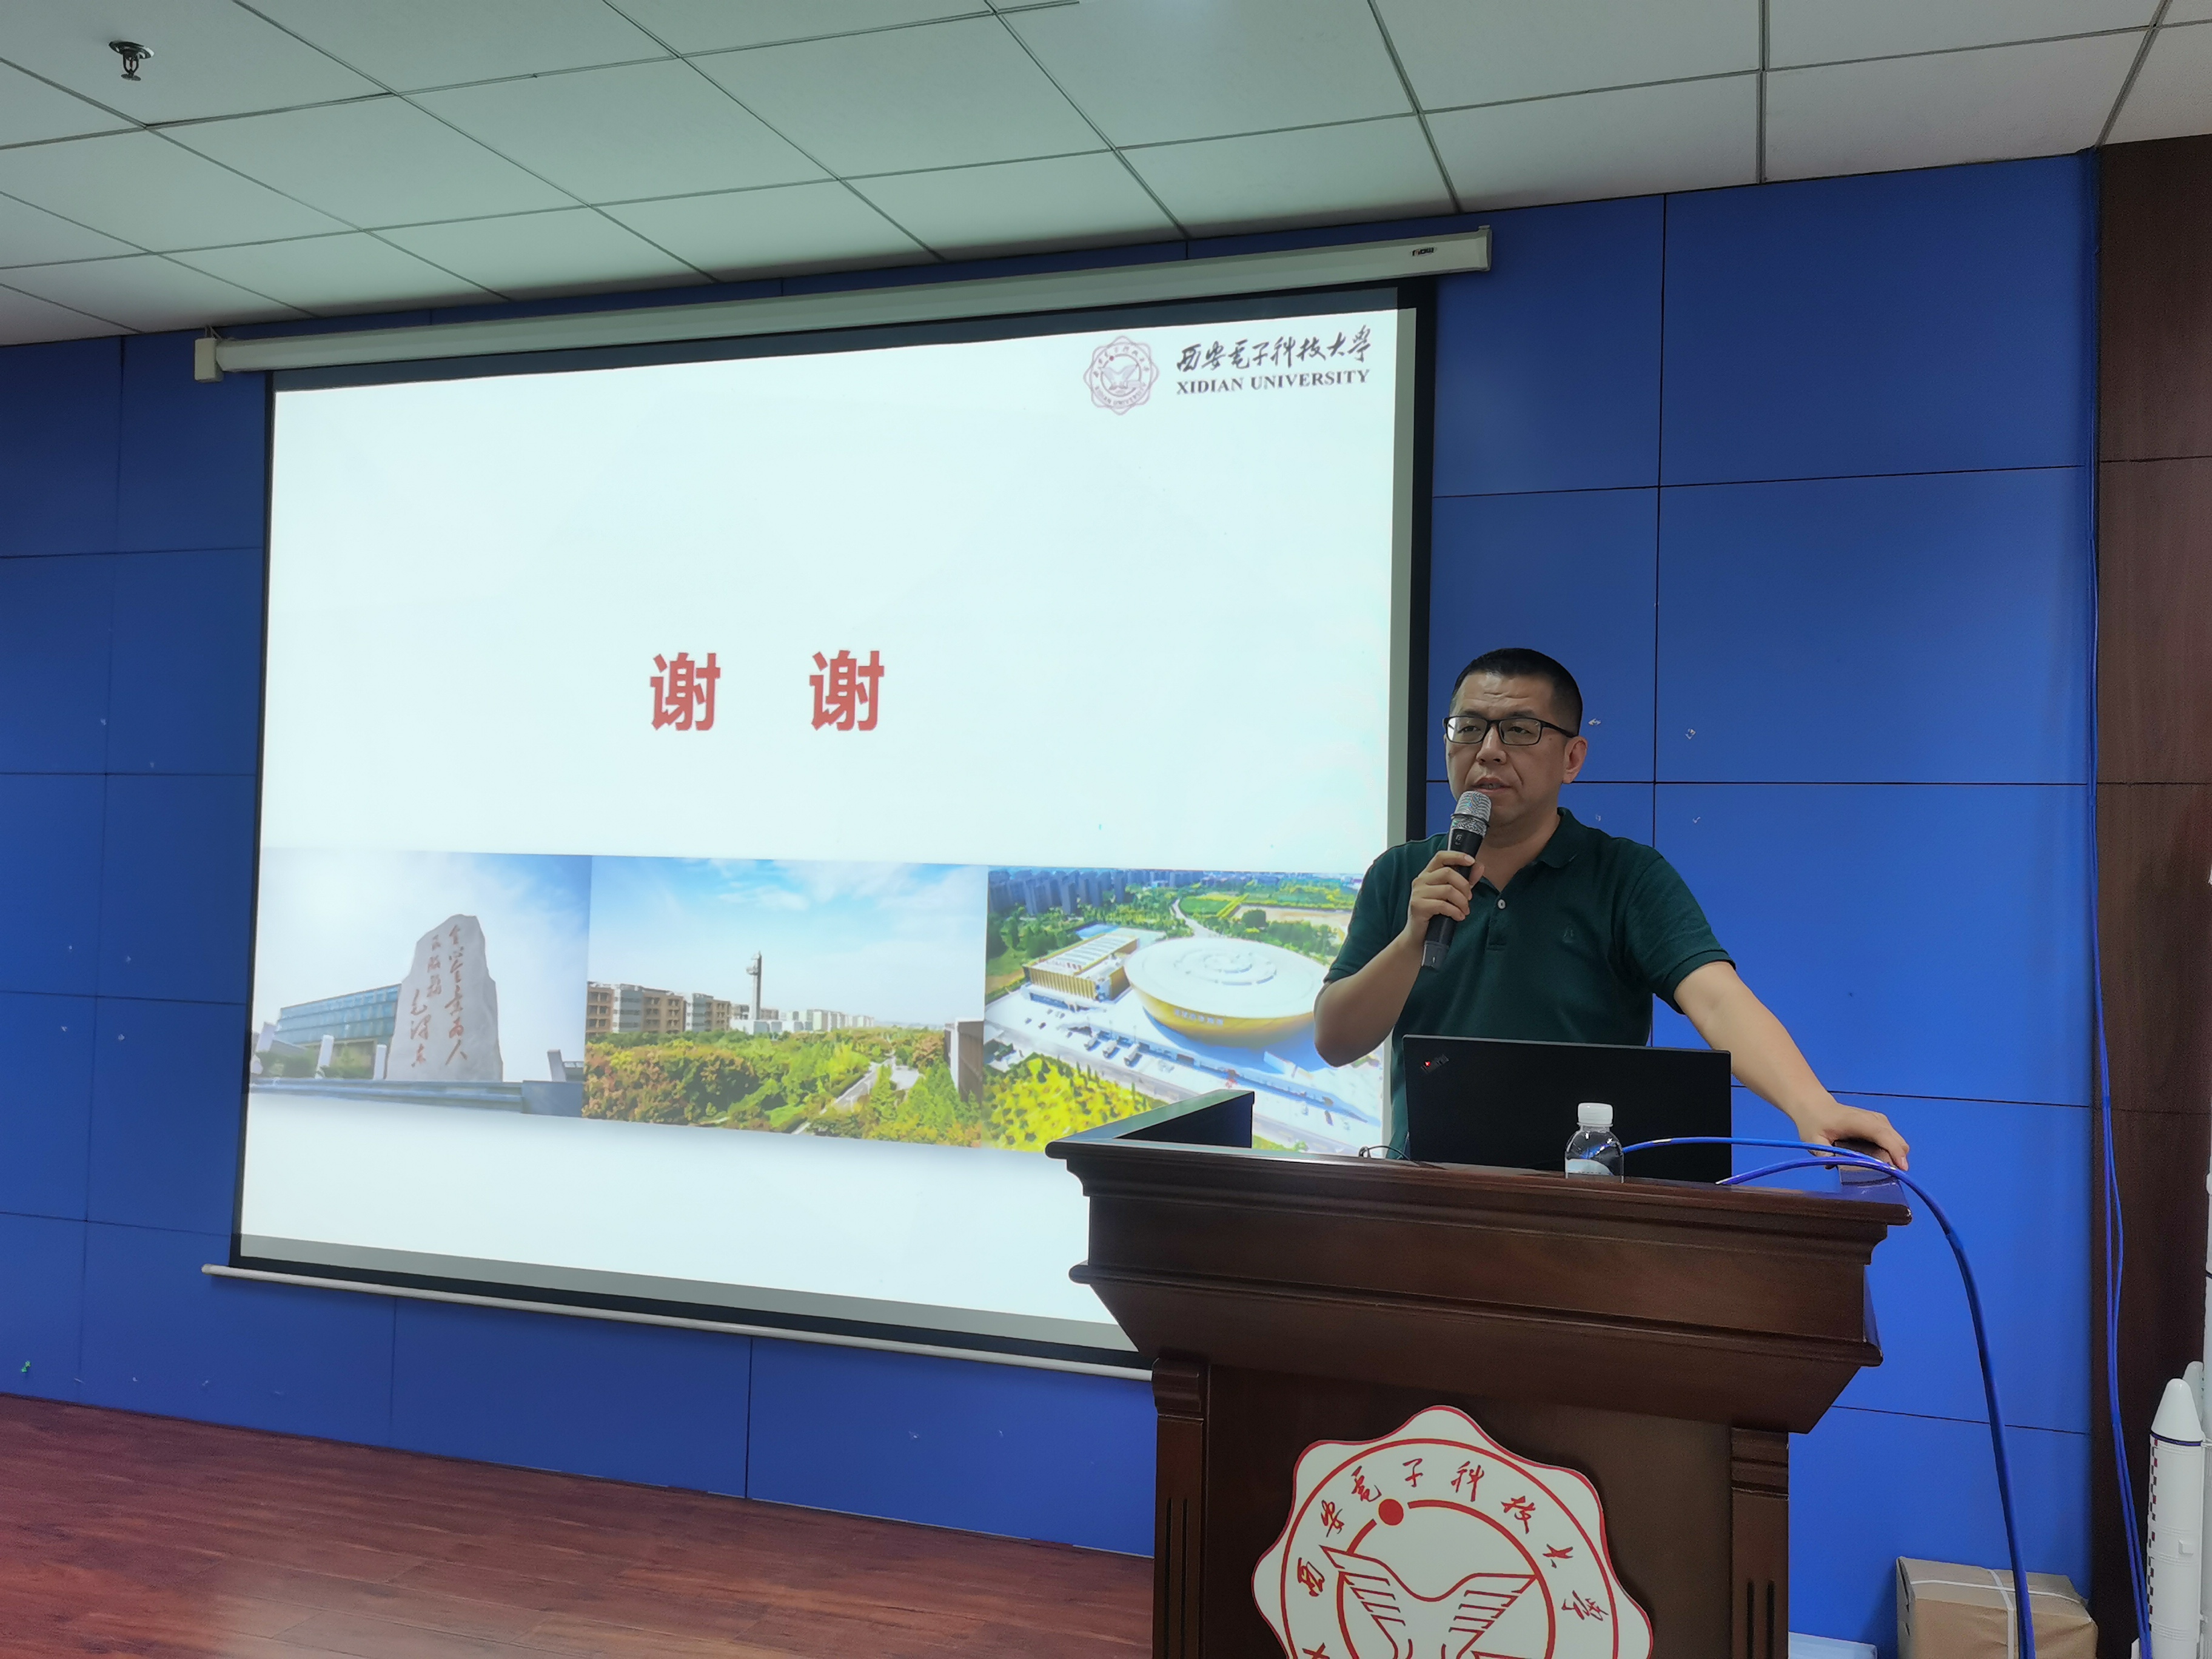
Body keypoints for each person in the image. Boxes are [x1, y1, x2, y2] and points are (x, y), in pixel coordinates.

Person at [1314, 646, 1909, 1167]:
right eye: (1468, 728)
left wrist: (1812, 1106)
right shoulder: (1401, 874)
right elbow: (1335, 1041)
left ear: (1572, 759)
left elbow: (1718, 1000)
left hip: (1587, 1199)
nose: (1488, 751)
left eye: (1519, 730)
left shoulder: (1626, 877)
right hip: (1428, 1194)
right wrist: (1412, 940)